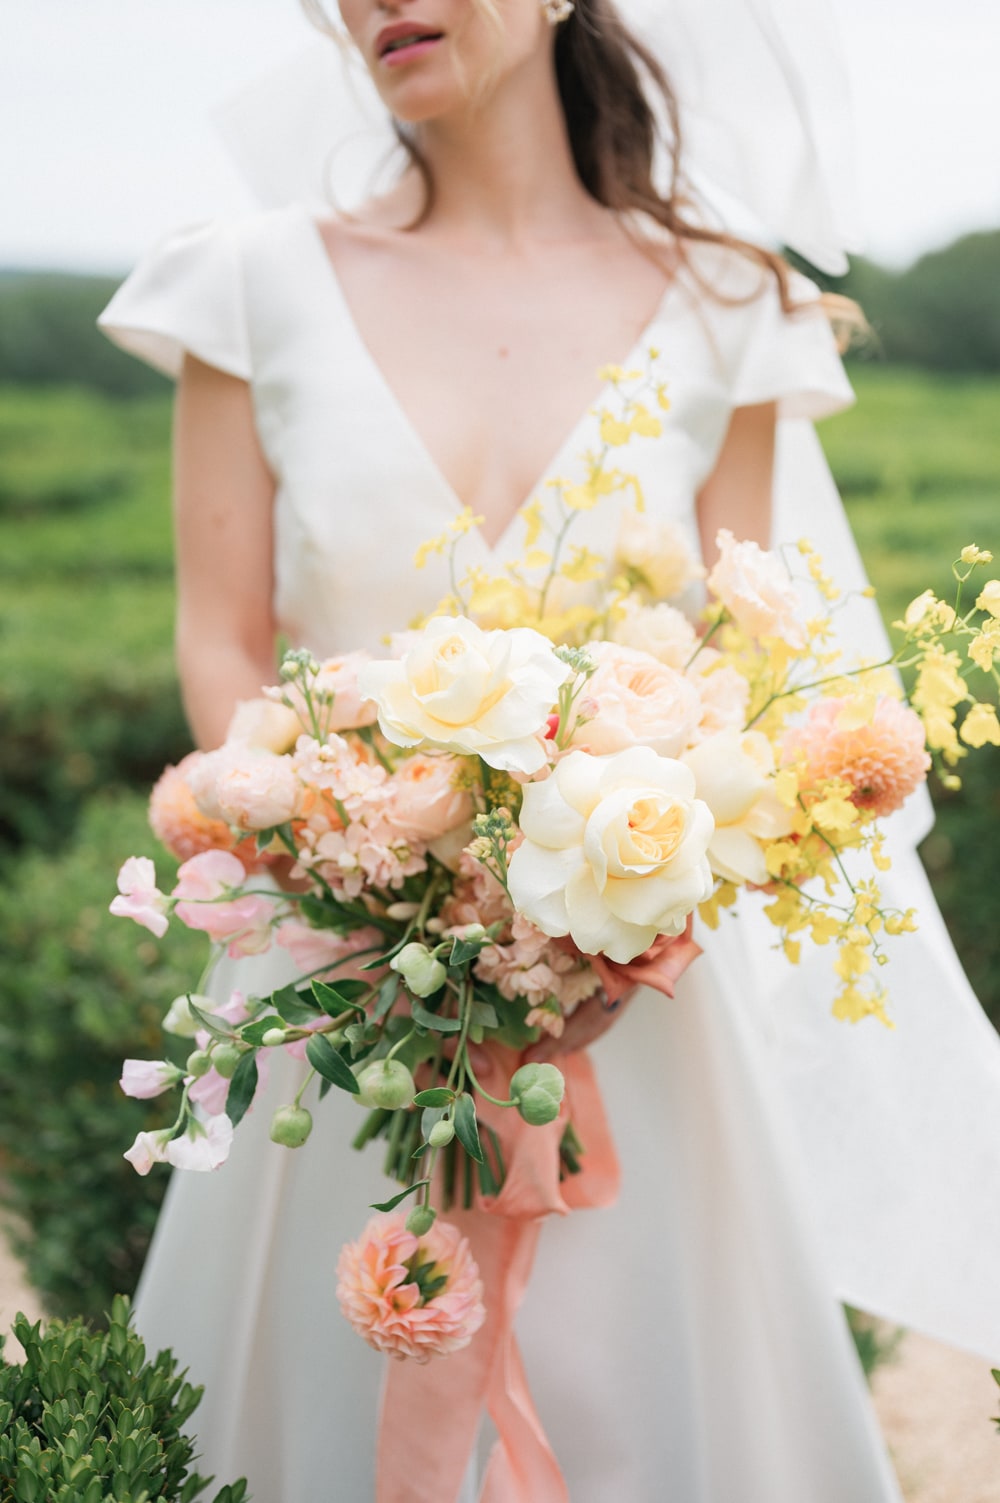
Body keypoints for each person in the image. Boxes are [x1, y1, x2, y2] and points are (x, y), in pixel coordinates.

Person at [98, 1, 1000, 1499]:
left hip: (634, 1007)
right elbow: (225, 643)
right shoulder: (251, 281)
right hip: (338, 993)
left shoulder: (725, 300)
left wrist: (591, 919)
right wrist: (367, 873)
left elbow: (750, 666)